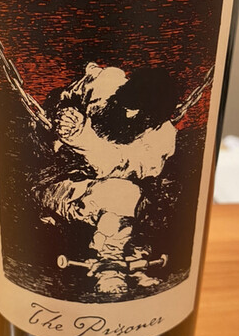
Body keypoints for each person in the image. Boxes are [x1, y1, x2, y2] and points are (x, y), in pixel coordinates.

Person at [40, 62, 180, 295]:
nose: (127, 114)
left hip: (107, 193)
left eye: (138, 115)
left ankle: (115, 262)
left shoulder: (161, 139)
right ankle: (112, 265)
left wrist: (81, 136)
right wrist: (63, 112)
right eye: (123, 104)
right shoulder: (105, 82)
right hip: (58, 186)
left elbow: (119, 168)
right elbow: (64, 97)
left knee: (125, 192)